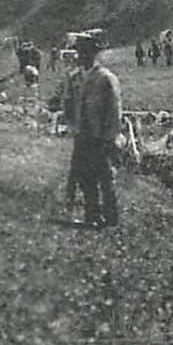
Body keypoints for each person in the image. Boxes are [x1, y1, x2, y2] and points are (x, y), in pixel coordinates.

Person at [66, 33, 122, 229]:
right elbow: (69, 103)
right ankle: (92, 216)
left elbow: (115, 110)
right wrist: (72, 124)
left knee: (105, 177)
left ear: (94, 54)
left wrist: (110, 137)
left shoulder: (106, 78)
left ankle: (111, 218)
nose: (82, 56)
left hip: (101, 136)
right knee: (84, 176)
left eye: (87, 53)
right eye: (80, 52)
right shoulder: (75, 77)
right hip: (82, 134)